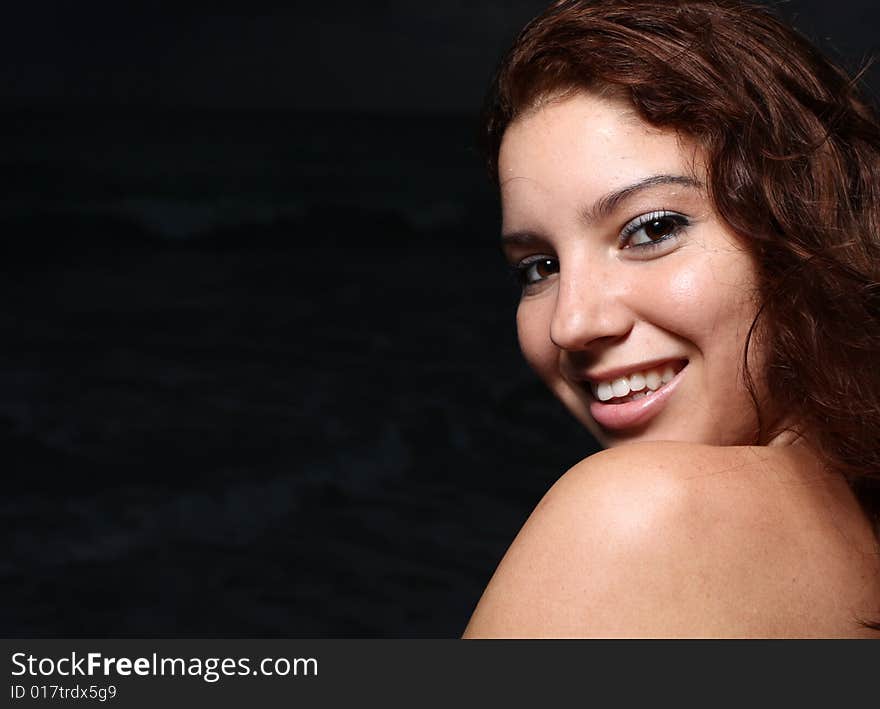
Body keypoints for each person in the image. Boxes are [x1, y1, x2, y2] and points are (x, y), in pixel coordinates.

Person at [462, 0, 880, 638]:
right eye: (539, 267)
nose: (570, 325)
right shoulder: (855, 528)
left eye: (651, 229)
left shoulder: (638, 509)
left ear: (802, 229)